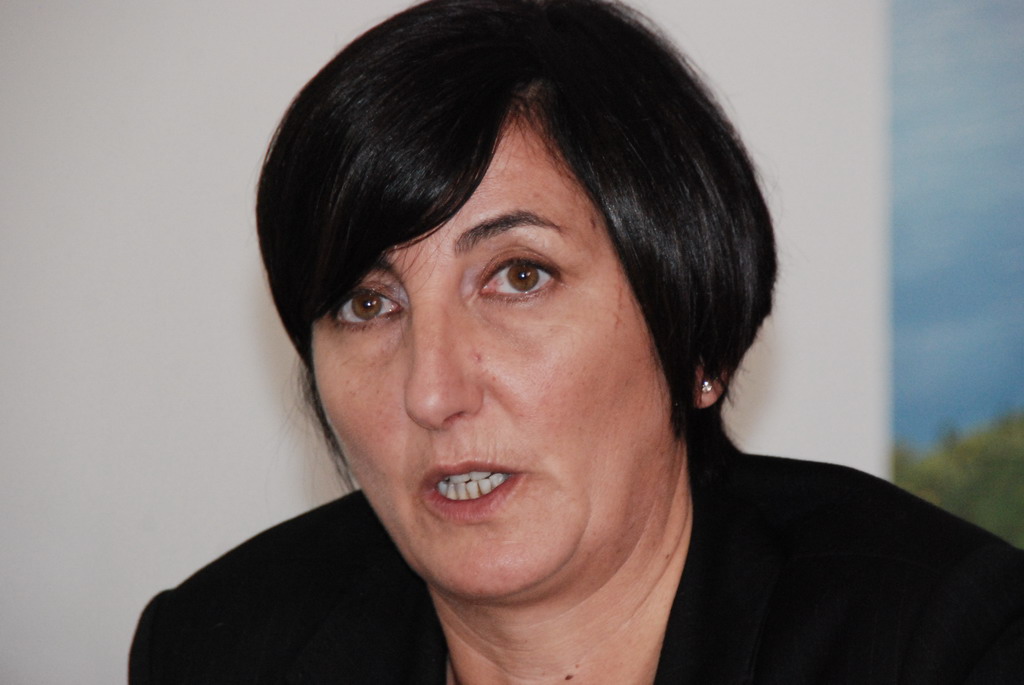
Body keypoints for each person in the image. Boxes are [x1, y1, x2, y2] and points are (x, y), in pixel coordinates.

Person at [129, 0, 1024, 682]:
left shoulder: (938, 643)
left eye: (520, 276)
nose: (432, 391)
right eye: (369, 304)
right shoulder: (220, 647)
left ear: (698, 345)